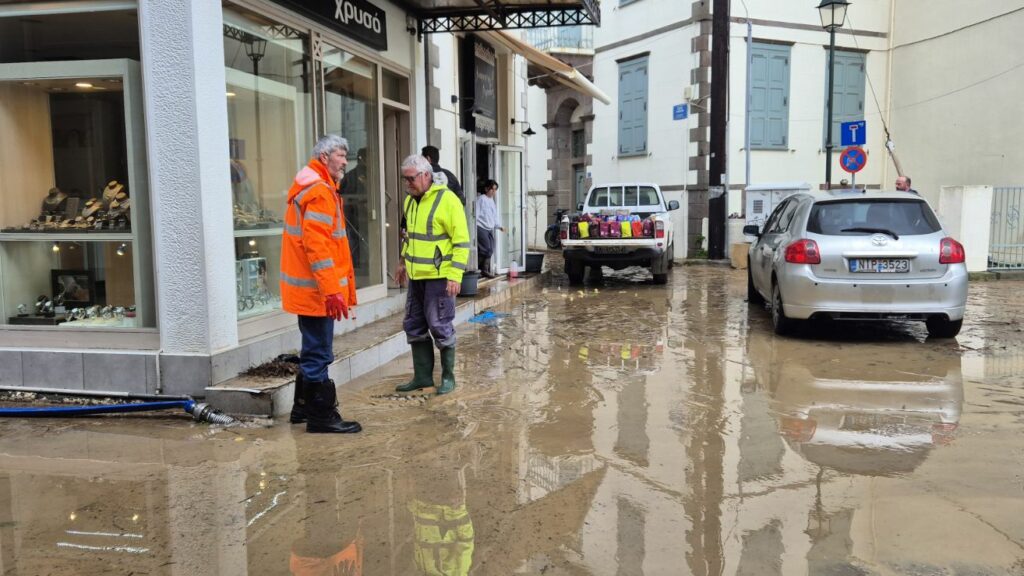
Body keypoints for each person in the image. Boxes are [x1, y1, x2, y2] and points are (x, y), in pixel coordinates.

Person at [280, 134, 361, 434]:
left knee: (312, 348)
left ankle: (302, 408)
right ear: (324, 157)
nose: (345, 162)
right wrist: (331, 291)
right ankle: (322, 417)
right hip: (317, 292)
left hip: (311, 289)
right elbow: (317, 247)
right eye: (341, 155)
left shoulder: (314, 187)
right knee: (319, 352)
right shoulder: (319, 192)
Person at [394, 154, 470, 396]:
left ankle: (448, 378)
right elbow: (409, 236)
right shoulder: (410, 202)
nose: (408, 184)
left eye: (411, 179)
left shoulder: (448, 200)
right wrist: (402, 262)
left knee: (440, 325)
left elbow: (461, 242)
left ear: (426, 175)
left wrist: (455, 275)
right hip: (416, 276)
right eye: (405, 179)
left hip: (440, 277)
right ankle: (422, 377)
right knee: (414, 324)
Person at [475, 179, 504, 278]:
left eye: (495, 190)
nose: (493, 192)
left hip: (489, 228)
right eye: (492, 189)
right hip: (481, 227)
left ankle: (484, 270)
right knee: (485, 249)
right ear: (486, 189)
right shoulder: (481, 199)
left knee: (490, 249)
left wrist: (499, 226)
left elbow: (494, 216)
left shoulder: (491, 201)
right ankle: (476, 270)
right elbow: (476, 214)